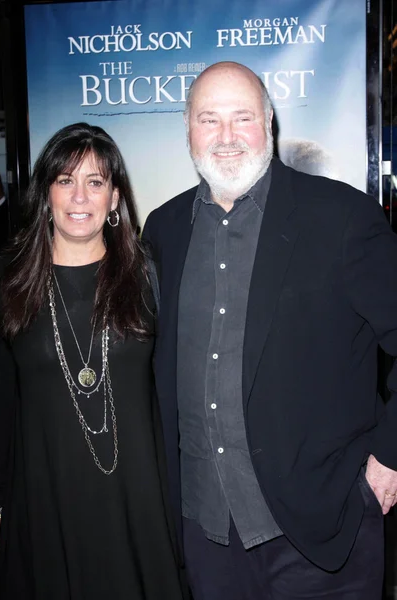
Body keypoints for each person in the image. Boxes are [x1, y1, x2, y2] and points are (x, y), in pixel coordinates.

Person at [143, 61, 397, 599]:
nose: (227, 136)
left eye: (243, 118)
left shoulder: (343, 218)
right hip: (205, 538)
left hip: (323, 533)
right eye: (209, 119)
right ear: (187, 128)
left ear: (270, 123)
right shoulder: (162, 230)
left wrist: (389, 459)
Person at [0, 122, 187, 600]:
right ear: (46, 194)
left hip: (138, 497)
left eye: (95, 182)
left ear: (115, 197)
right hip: (45, 500)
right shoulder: (9, 281)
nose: (79, 196)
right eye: (65, 180)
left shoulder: (151, 276)